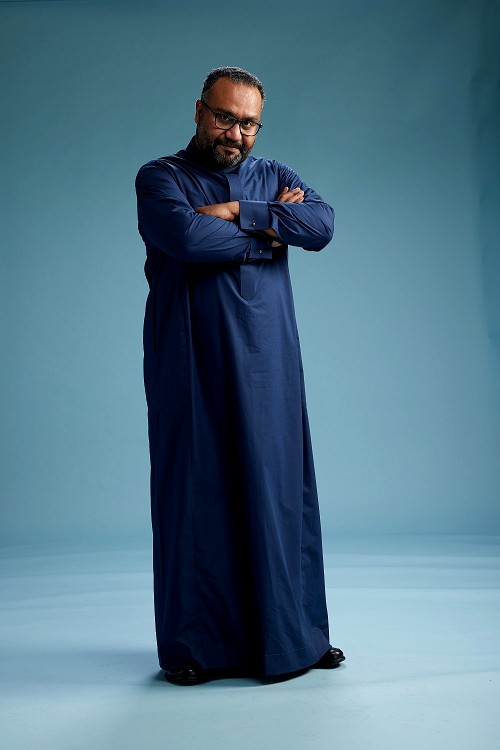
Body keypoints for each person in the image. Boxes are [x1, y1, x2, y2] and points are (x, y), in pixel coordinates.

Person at [135, 66, 345, 685]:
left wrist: (236, 211)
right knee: (198, 491)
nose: (236, 134)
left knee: (281, 491)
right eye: (225, 117)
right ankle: (196, 648)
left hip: (269, 358)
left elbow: (322, 226)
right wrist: (270, 230)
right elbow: (187, 238)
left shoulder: (274, 174)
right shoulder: (161, 177)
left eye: (249, 123)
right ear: (199, 110)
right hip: (191, 357)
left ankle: (296, 637)